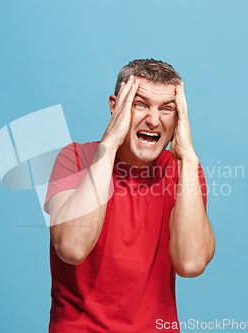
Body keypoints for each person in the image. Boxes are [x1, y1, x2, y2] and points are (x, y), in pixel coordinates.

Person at [43, 59, 215, 332]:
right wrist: (109, 144)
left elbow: (190, 263)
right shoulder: (75, 158)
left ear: (179, 119)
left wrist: (190, 160)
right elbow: (71, 249)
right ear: (115, 106)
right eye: (140, 104)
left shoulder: (183, 172)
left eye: (167, 109)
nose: (153, 119)